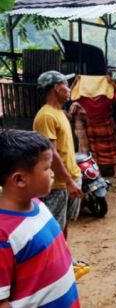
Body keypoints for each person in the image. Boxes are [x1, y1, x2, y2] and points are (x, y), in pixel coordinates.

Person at [0, 130, 81, 307]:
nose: (53, 173)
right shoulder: (3, 234)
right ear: (20, 179)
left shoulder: (38, 205)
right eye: (47, 168)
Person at [33, 71, 90, 280]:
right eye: (67, 85)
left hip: (70, 178)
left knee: (63, 224)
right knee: (53, 228)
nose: (69, 90)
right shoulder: (46, 115)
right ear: (56, 87)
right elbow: (51, 153)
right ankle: (52, 268)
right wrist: (67, 181)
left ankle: (63, 259)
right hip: (58, 183)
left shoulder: (60, 113)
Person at [74, 75, 116, 177]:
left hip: (92, 127)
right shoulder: (105, 99)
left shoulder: (84, 100)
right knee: (112, 149)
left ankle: (99, 172)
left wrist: (75, 82)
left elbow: (71, 95)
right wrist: (112, 83)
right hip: (105, 126)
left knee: (95, 151)